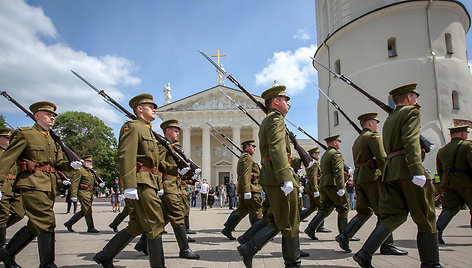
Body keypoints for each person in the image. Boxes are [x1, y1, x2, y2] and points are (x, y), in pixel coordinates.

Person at [353, 83, 442, 267]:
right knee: (426, 217)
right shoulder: (412, 112)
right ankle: (431, 263)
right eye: (415, 97)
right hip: (407, 169)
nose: (416, 100)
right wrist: (417, 169)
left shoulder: (389, 119)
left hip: (391, 171)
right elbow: (410, 141)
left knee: (394, 215)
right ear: (409, 98)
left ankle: (365, 253)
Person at [0, 101, 82, 268]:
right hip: (31, 183)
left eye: (53, 115)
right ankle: (47, 263)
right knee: (47, 221)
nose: (52, 117)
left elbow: (57, 163)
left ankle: (7, 253)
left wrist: (70, 165)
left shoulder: (52, 139)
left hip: (49, 186)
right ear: (36, 116)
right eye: (48, 114)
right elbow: (7, 159)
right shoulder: (25, 133)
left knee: (35, 224)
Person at [93, 93, 167, 267]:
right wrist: (129, 185)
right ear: (140, 109)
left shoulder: (147, 129)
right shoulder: (132, 127)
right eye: (151, 106)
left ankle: (105, 255)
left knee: (137, 225)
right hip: (141, 182)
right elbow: (126, 156)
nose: (155, 109)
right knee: (155, 222)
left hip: (150, 181)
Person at [237, 85, 300, 267]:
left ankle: (248, 247)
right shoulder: (276, 119)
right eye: (285, 100)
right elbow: (276, 148)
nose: (288, 103)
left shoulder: (269, 119)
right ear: (276, 101)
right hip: (278, 176)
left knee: (275, 218)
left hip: (271, 175)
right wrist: (285, 176)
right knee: (289, 220)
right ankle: (292, 263)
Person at [335, 113, 406, 255]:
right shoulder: (373, 137)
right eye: (376, 122)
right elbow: (381, 158)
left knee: (364, 211)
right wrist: (389, 176)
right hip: (373, 178)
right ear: (370, 123)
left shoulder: (358, 140)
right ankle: (387, 245)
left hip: (361, 178)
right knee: (384, 212)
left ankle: (345, 235)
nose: (377, 125)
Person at [133, 119, 199, 259]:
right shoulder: (163, 147)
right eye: (175, 131)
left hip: (173, 185)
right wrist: (163, 182)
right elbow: (157, 164)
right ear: (167, 131)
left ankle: (142, 242)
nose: (178, 134)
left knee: (164, 217)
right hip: (167, 185)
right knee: (178, 215)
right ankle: (184, 250)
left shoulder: (173, 147)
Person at [304, 135, 350, 241]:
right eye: (338, 141)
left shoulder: (325, 155)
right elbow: (338, 171)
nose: (340, 143)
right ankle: (344, 235)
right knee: (344, 207)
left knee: (326, 208)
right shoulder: (336, 154)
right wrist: (341, 187)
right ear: (334, 143)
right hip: (333, 184)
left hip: (325, 184)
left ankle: (311, 228)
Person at [436, 125, 472, 245]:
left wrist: (443, 184)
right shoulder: (467, 145)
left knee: (449, 209)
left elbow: (439, 170)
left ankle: (436, 234)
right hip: (466, 182)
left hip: (449, 182)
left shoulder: (442, 150)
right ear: (463, 135)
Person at [222, 140, 262, 240]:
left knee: (242, 210)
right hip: (251, 189)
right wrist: (247, 190)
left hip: (249, 189)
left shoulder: (246, 157)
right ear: (247, 147)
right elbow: (245, 175)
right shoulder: (247, 157)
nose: (255, 148)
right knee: (257, 211)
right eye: (253, 146)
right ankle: (257, 234)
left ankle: (227, 229)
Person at [64, 155, 104, 233]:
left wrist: (98, 184)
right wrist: (73, 195)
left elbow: (92, 182)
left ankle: (69, 223)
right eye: (88, 161)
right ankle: (90, 227)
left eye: (91, 162)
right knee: (88, 209)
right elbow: (75, 183)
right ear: (84, 162)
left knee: (84, 210)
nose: (90, 163)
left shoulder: (90, 171)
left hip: (89, 192)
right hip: (82, 192)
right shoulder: (80, 170)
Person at [0, 128, 24, 248]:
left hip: (14, 186)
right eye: (7, 138)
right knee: (2, 214)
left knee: (19, 213)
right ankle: (1, 245)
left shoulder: (15, 153)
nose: (9, 141)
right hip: (2, 186)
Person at [299, 147, 331, 235]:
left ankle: (297, 220)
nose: (319, 154)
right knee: (322, 207)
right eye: (317, 153)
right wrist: (316, 190)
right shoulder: (314, 163)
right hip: (314, 187)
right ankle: (319, 227)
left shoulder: (310, 162)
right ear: (313, 154)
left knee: (312, 208)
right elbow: (313, 177)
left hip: (311, 187)